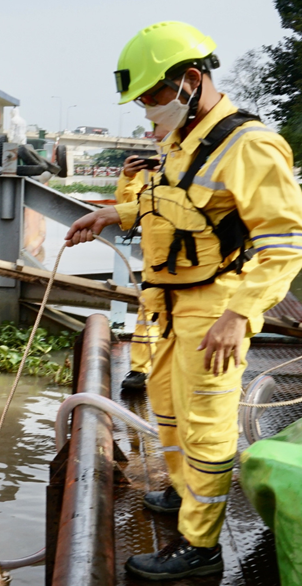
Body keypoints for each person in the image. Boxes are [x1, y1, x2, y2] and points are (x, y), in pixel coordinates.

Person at [65, 20, 302, 580]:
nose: (149, 108)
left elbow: (290, 239)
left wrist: (239, 314)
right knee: (168, 407)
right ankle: (183, 492)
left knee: (206, 422)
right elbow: (176, 204)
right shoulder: (185, 142)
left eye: (154, 94)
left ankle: (200, 547)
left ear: (191, 80)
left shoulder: (249, 145)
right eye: (143, 99)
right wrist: (114, 213)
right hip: (170, 301)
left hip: (215, 305)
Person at [116, 122, 169, 390]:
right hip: (156, 264)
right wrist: (129, 177)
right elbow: (131, 210)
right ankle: (140, 370)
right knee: (148, 315)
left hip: (196, 265)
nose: (155, 135)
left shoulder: (196, 166)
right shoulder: (156, 179)